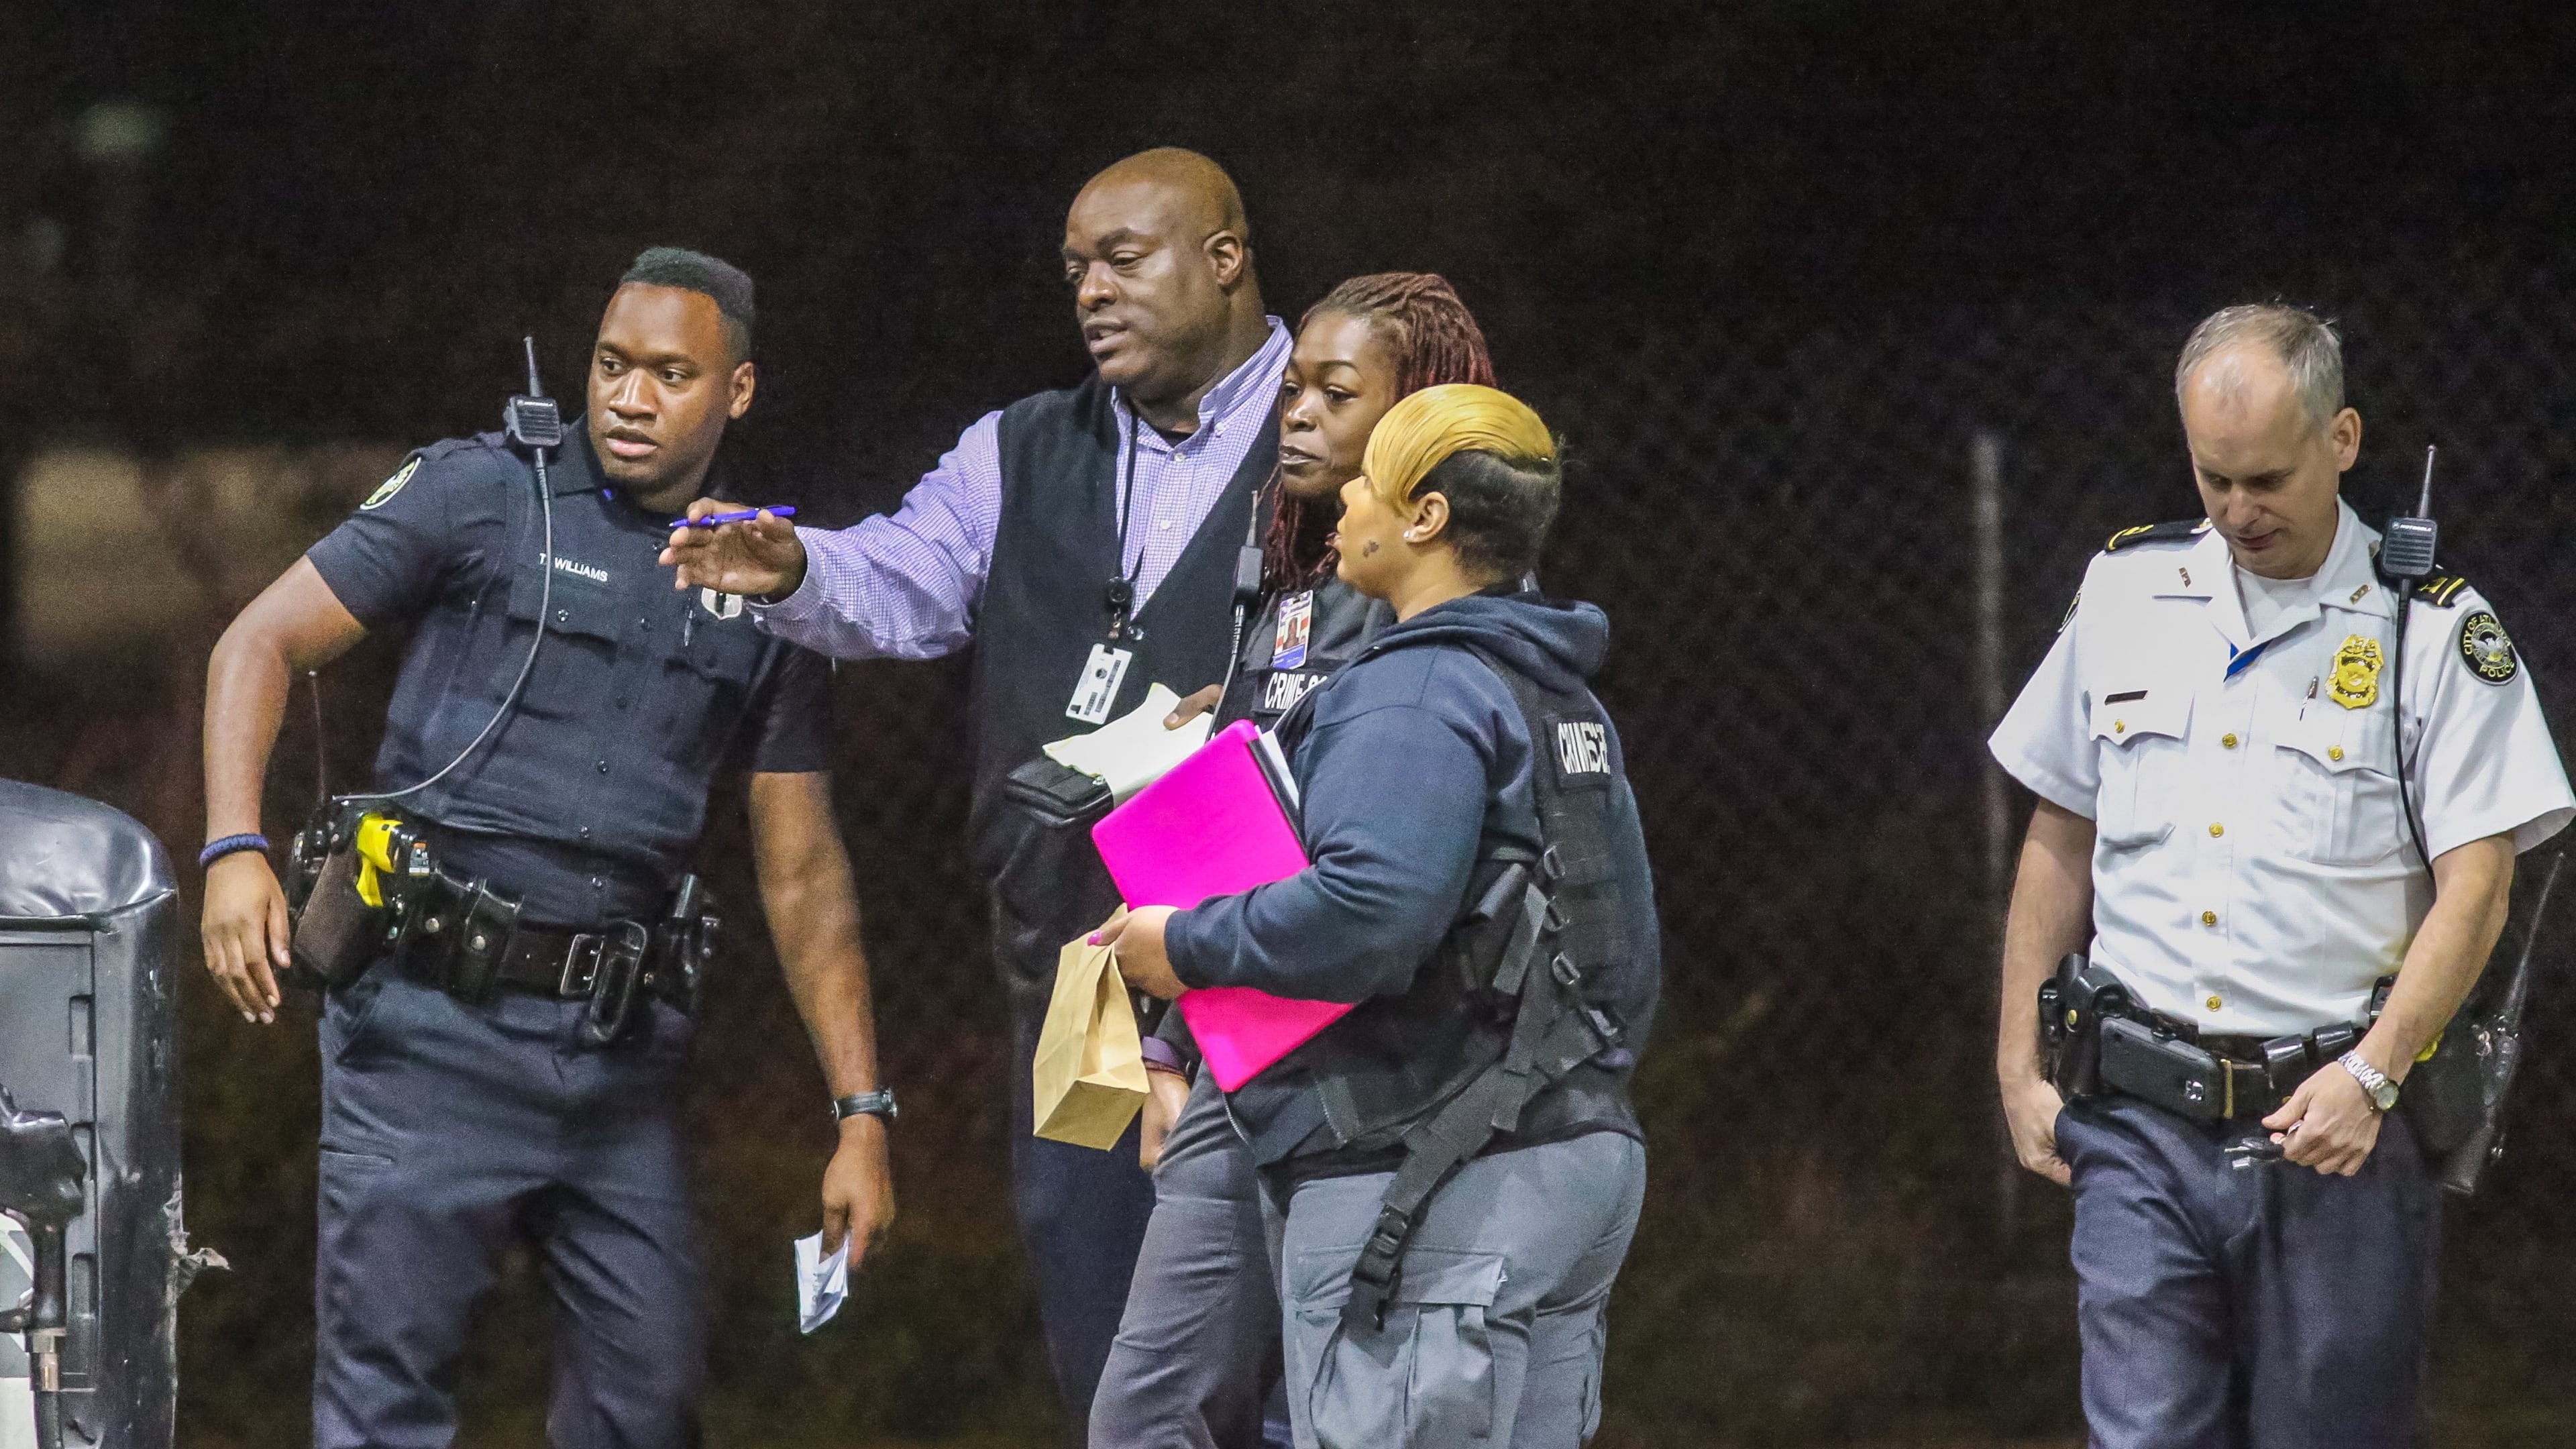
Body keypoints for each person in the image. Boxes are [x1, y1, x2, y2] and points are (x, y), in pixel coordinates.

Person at [197, 248, 895, 1449]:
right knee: (383, 1412)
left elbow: (803, 869)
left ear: (736, 392)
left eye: (672, 375)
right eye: (613, 366)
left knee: (652, 1404)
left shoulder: (766, 574)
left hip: (618, 1069)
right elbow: (258, 643)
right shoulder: (482, 492)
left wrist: (863, 1109)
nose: (630, 397)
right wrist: (231, 847)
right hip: (429, 1039)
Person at [659, 148, 1289, 1420]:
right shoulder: (1025, 446)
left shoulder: (1336, 417)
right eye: (1074, 272)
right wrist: (794, 570)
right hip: (1090, 979)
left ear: (1224, 257)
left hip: (1285, 969)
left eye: (1125, 259)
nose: (1092, 293)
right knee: (1112, 1336)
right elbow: (906, 576)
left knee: (1296, 1350)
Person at [1988, 303, 2574, 1449]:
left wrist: (2376, 1072)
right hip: (2137, 1123)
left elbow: (2481, 885)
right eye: (2214, 478)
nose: (2240, 511)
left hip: (2334, 1132)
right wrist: (2017, 1069)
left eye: (2268, 478)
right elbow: (2060, 837)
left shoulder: (2431, 633)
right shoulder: (2125, 593)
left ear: (2343, 440)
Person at [1104, 384, 1660, 1448]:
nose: (1347, 495)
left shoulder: (1414, 691)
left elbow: (1371, 912)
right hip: (1572, 1158)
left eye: (1372, 480)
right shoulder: (1555, 691)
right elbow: (1626, 957)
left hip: (1427, 1178)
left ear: (1426, 519)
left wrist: (1179, 945)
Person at [1094, 273, 1499, 1449]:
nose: (1300, 413)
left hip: (1387, 1068)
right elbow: (1254, 827)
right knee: (1149, 1409)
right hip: (1249, 1044)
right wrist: (1174, 1048)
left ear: (1421, 414)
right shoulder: (1282, 579)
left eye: (1338, 391)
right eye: (1293, 388)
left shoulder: (1448, 612)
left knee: (1347, 1415)